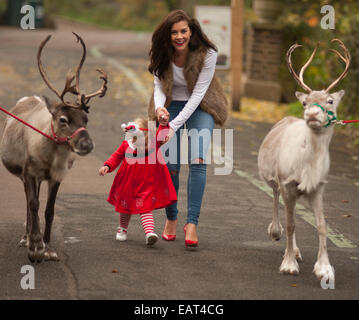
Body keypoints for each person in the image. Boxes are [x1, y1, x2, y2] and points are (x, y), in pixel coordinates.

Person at [148, 10, 228, 248]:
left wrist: (173, 125)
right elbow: (158, 85)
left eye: (183, 31)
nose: (179, 36)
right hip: (171, 104)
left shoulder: (208, 54)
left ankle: (191, 222)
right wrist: (161, 109)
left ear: (191, 31)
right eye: (174, 32)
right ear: (167, 34)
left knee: (198, 160)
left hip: (201, 106)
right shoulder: (161, 52)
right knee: (171, 166)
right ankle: (171, 218)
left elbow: (198, 95)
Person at [98, 118, 177, 246]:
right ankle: (122, 228)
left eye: (146, 144)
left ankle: (149, 233)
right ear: (133, 138)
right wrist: (107, 166)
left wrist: (163, 124)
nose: (144, 147)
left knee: (145, 208)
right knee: (125, 207)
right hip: (127, 183)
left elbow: (162, 135)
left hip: (145, 185)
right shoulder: (126, 145)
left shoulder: (153, 144)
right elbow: (117, 156)